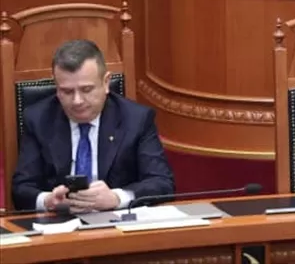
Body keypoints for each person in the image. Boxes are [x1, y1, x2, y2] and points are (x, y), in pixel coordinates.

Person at [11, 39, 175, 213]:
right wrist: (48, 201)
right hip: (60, 221)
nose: (77, 101)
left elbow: (162, 183)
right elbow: (21, 190)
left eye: (86, 90)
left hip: (116, 221)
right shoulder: (38, 119)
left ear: (106, 83)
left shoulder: (137, 119)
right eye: (67, 91)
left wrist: (116, 198)